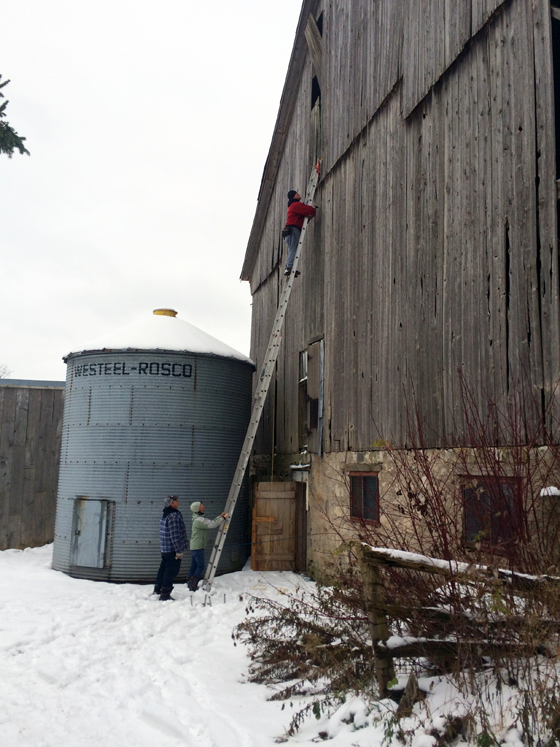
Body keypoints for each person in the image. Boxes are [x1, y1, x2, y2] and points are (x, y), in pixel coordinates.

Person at [187, 501, 228, 591]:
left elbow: (210, 521)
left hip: (195, 546)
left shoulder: (198, 518)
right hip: (198, 546)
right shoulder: (199, 520)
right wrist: (223, 519)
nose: (203, 506)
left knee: (194, 565)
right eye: (201, 505)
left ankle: (190, 582)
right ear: (198, 508)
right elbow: (212, 524)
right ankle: (193, 585)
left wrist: (220, 517)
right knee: (200, 566)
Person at [153, 495, 187, 601]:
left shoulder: (165, 514)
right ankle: (165, 594)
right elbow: (175, 534)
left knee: (163, 569)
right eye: (176, 500)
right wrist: (179, 550)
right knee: (171, 571)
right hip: (172, 549)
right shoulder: (174, 516)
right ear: (172, 503)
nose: (178, 502)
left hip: (165, 548)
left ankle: (158, 589)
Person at [282, 189, 317, 276]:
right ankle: (289, 267)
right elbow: (308, 210)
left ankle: (290, 267)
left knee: (292, 249)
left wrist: (308, 218)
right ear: (294, 196)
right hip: (293, 229)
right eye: (297, 193)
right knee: (293, 248)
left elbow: (301, 218)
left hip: (291, 230)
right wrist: (313, 210)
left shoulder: (293, 206)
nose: (299, 194)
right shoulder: (295, 205)